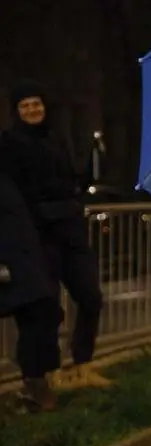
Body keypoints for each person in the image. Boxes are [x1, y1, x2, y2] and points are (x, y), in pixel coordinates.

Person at [0, 79, 108, 389]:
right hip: (36, 237)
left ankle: (83, 364)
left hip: (70, 231)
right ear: (16, 110)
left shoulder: (56, 140)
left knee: (90, 296)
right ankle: (49, 374)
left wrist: (77, 199)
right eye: (25, 105)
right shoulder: (9, 144)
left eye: (37, 104)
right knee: (45, 310)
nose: (32, 110)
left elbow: (71, 179)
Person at [0, 171, 61, 411]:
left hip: (22, 259)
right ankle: (36, 386)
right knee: (38, 314)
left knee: (41, 314)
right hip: (15, 261)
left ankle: (37, 386)